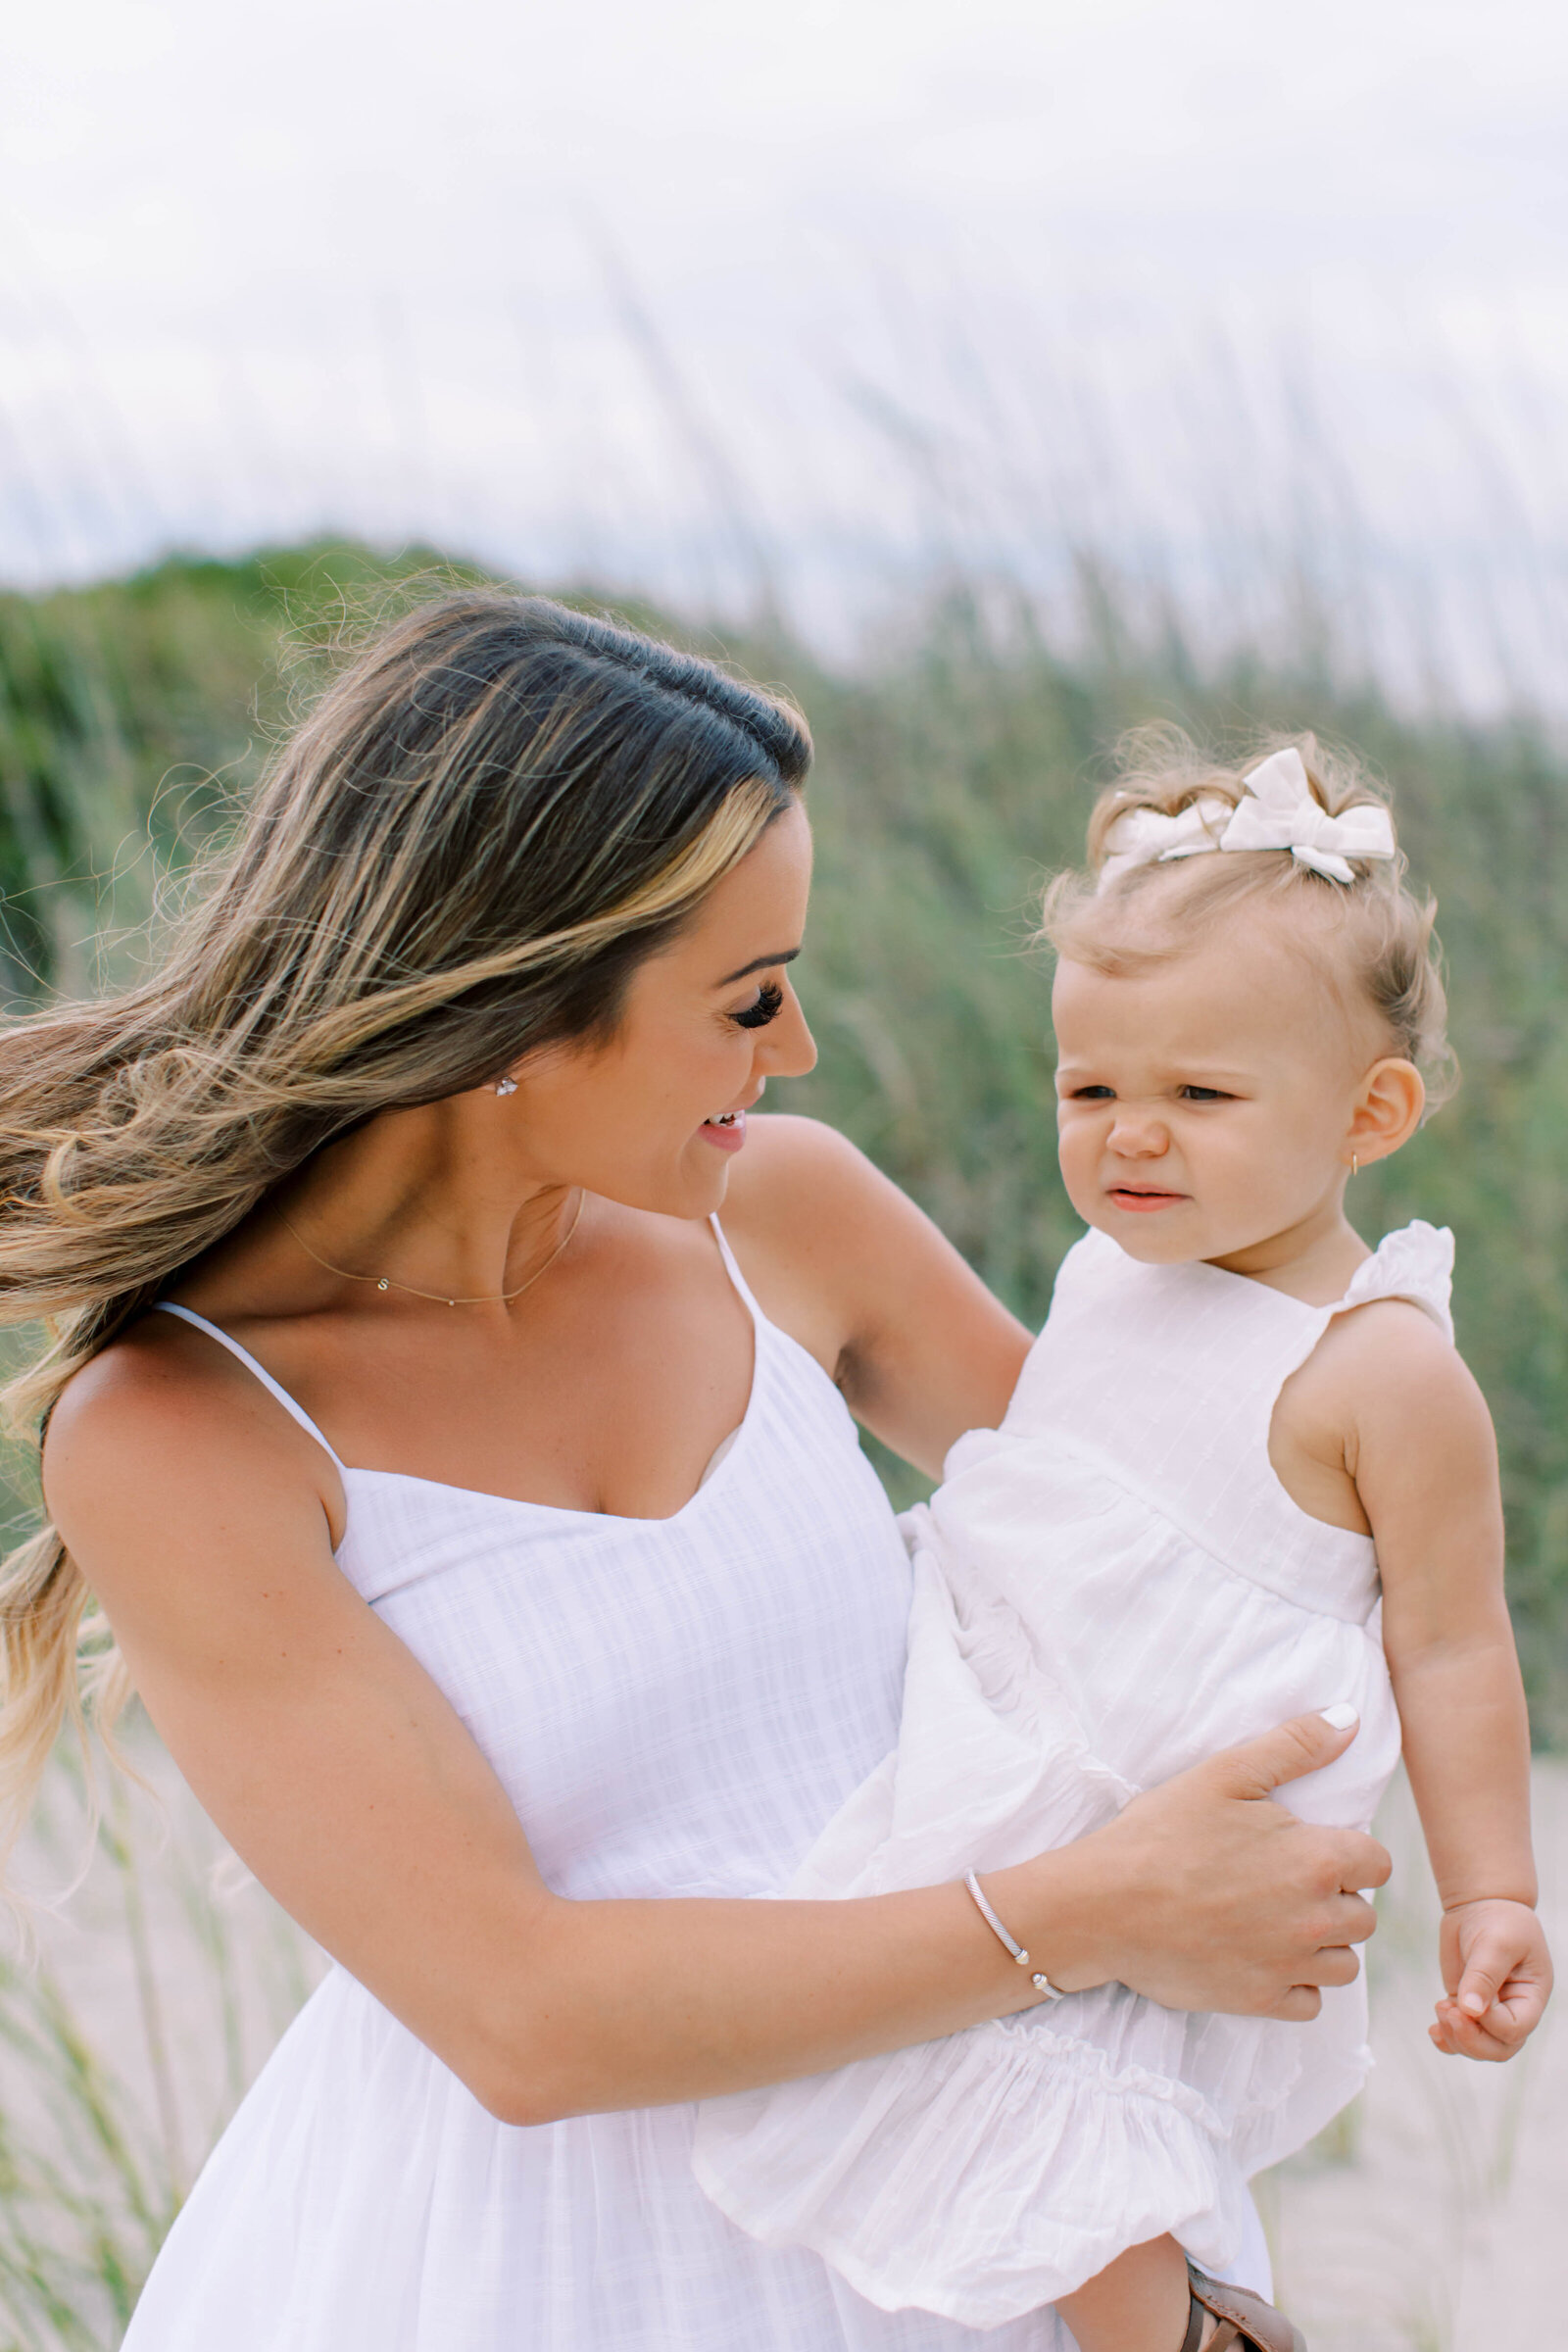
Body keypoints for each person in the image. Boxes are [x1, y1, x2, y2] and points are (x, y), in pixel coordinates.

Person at [0, 603, 1389, 2352]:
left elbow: (1173, 1568)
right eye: (746, 998)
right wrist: (1092, 1914)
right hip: (535, 2277)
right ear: (517, 1000)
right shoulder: (186, 1432)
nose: (795, 1047)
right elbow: (523, 2017)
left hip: (977, 2228)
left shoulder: (789, 1221)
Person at [693, 736, 1553, 2352]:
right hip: (1004, 1708)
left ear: (1370, 1113)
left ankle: (1181, 2332)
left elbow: (1452, 1640)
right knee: (913, 2019)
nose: (1129, 1140)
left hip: (1151, 1780)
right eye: (1092, 1090)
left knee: (1071, 2082)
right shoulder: (1112, 1280)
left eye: (1200, 1098)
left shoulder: (1379, 1369)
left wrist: (1496, 1888)